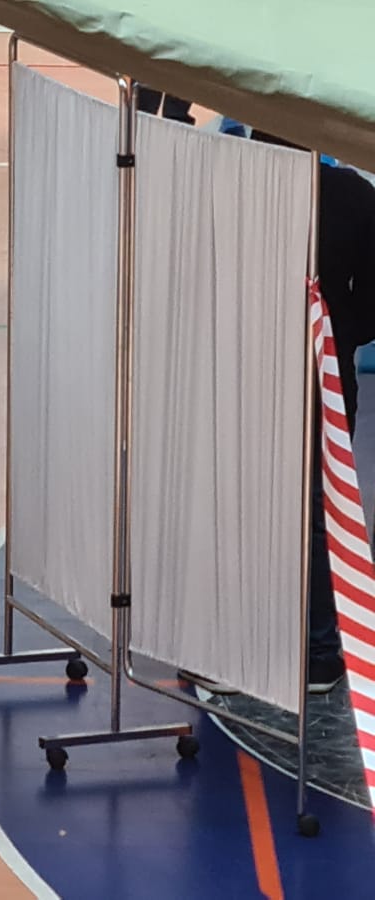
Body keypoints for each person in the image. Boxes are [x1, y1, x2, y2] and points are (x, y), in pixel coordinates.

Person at [254, 129, 375, 693]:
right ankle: (320, 651)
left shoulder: (242, 191)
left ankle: (252, 643)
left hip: (257, 369)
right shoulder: (350, 193)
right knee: (317, 505)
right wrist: (338, 333)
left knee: (256, 501)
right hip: (323, 371)